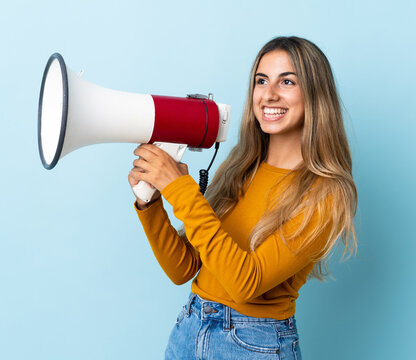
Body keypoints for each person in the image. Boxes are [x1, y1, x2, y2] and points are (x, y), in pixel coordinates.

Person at [128, 36, 357, 359]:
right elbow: (183, 267)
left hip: (253, 344)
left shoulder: (326, 193)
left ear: (315, 95)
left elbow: (244, 283)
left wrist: (179, 187)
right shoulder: (242, 166)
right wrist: (150, 201)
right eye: (260, 81)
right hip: (190, 329)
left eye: (287, 81)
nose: (269, 94)